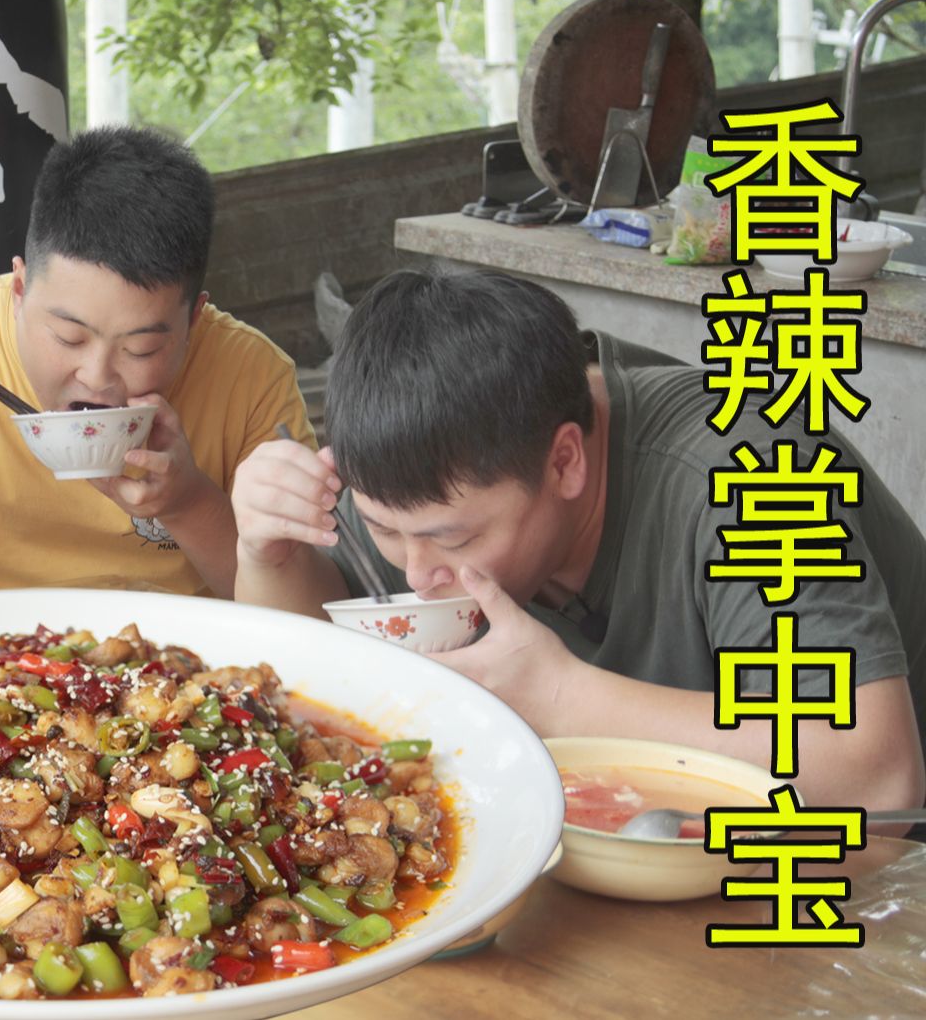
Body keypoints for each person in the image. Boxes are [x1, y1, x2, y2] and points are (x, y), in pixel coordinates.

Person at [231, 266, 926, 812]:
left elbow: (875, 772)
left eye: (454, 539)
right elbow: (300, 697)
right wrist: (268, 553)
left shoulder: (752, 474)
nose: (417, 575)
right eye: (383, 530)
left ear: (566, 461)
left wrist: (565, 700)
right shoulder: (425, 471)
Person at [0, 125, 314, 597]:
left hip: (173, 680)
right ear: (20, 289)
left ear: (194, 321)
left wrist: (187, 504)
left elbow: (307, 615)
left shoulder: (252, 375)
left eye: (141, 349)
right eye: (69, 337)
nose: (96, 376)